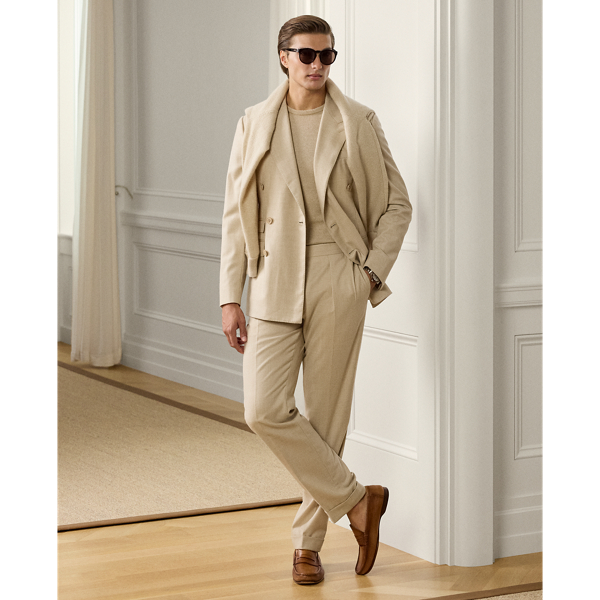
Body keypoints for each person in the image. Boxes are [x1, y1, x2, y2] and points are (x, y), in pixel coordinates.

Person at [220, 15, 412, 585]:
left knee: (327, 419)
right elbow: (234, 214)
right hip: (273, 276)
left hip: (338, 275)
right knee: (263, 409)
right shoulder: (254, 122)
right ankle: (357, 500)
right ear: (283, 56)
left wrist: (370, 273)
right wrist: (230, 295)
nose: (317, 66)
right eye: (306, 54)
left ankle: (307, 545)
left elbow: (397, 204)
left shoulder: (358, 121)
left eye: (327, 56)